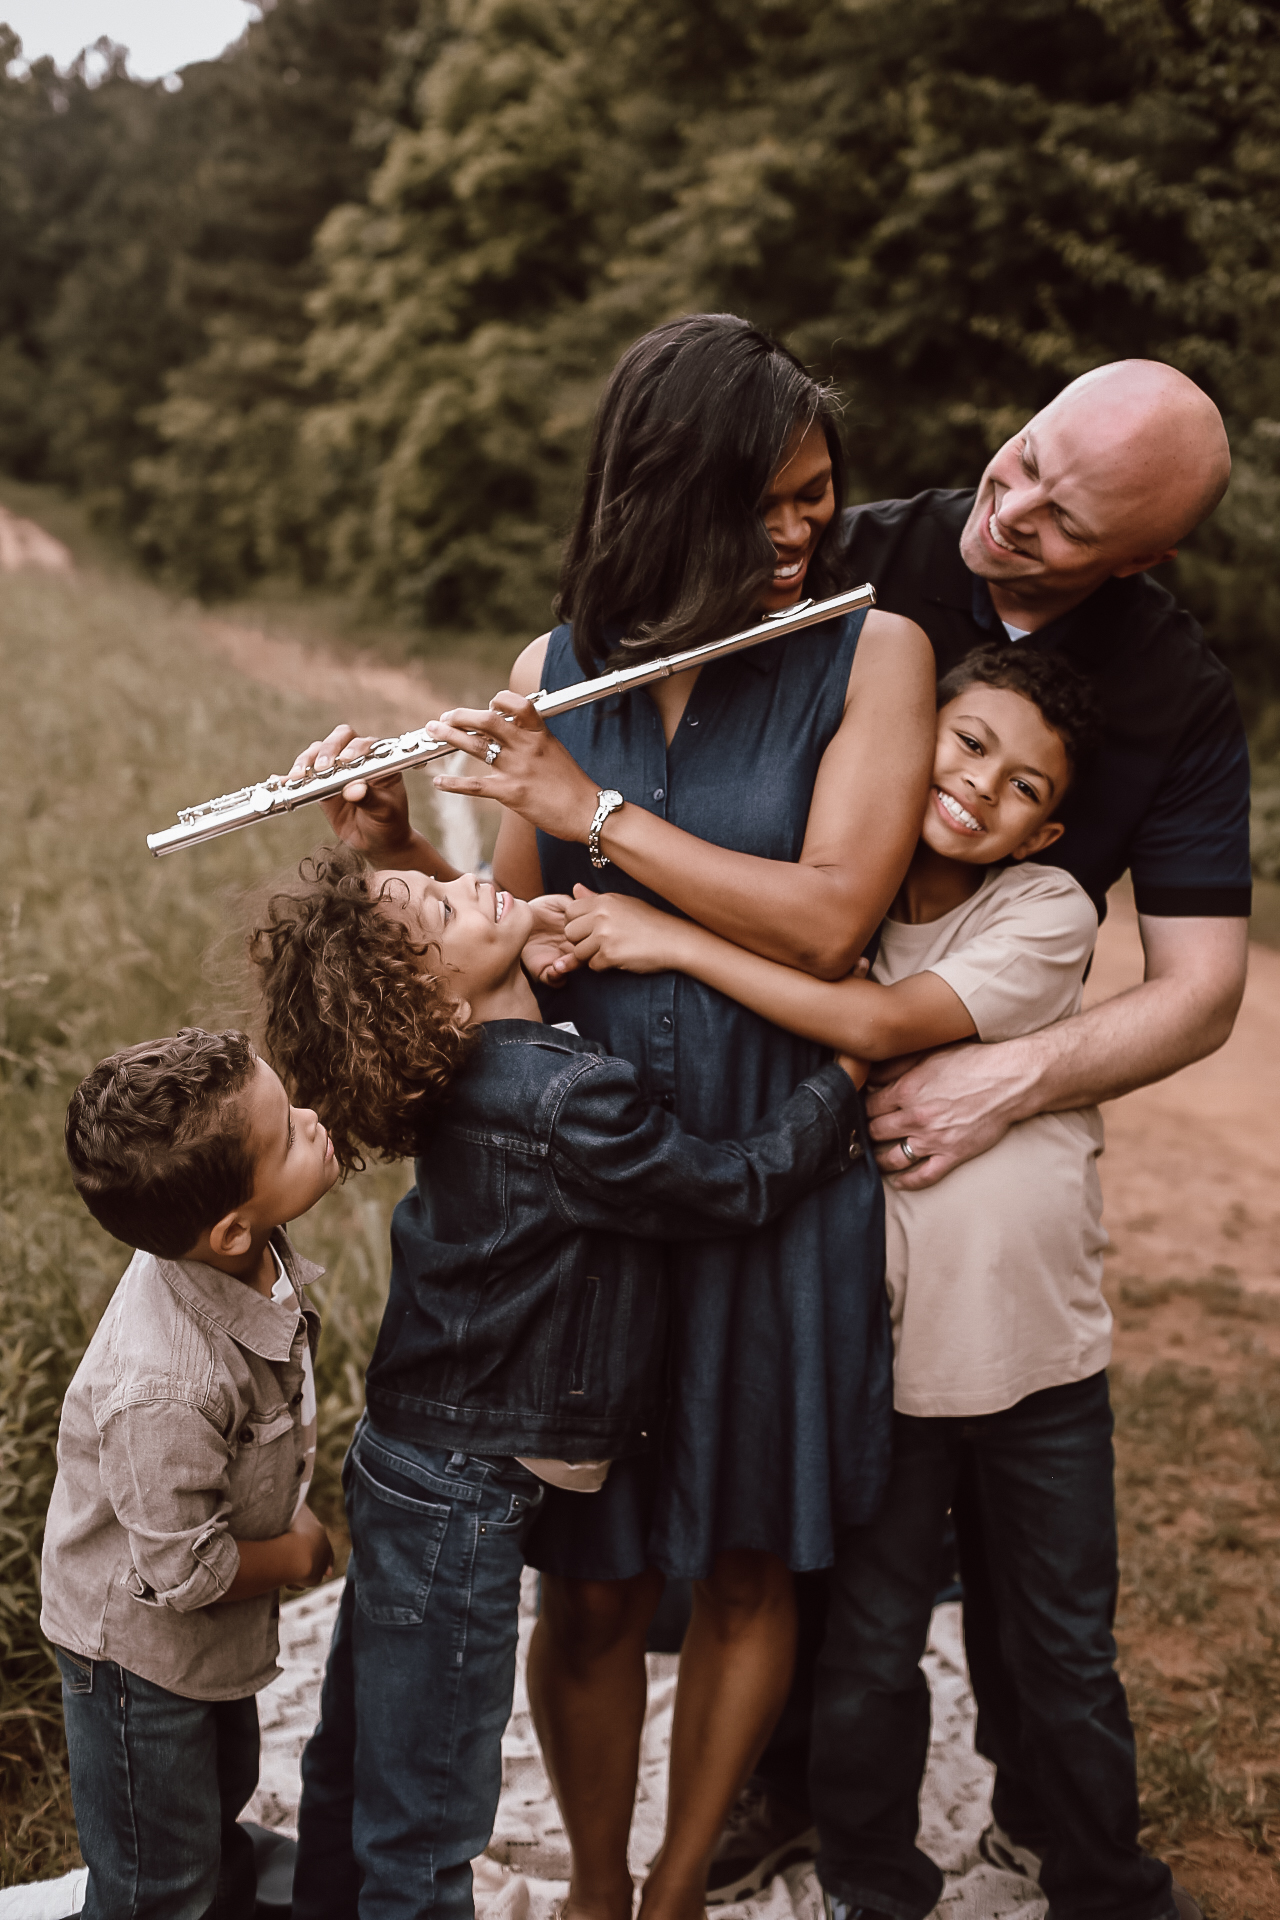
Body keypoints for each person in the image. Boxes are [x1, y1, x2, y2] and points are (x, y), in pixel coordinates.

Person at [287, 310, 936, 1920]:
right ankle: (587, 1885)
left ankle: (667, 1893)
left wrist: (598, 812)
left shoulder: (881, 651)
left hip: (768, 1159)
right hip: (583, 1194)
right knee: (587, 1580)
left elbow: (832, 919)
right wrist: (387, 842)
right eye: (768, 502)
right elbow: (504, 922)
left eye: (819, 495)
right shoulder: (556, 666)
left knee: (743, 1558)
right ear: (669, 495)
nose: (804, 532)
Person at [564, 644, 1195, 1920]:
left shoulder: (1042, 912)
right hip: (889, 1366)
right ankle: (867, 1876)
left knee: (1060, 1642)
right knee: (868, 1643)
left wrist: (667, 936)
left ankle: (1102, 1880)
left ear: (1049, 830)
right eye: (965, 745)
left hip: (1037, 1364)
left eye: (1021, 786)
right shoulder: (814, 888)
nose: (979, 789)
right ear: (910, 735)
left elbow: (872, 1024)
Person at [246, 845, 867, 1920]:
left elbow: (500, 964)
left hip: (404, 1452)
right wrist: (840, 1077)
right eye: (440, 905)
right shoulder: (562, 1096)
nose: (460, 880)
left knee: (360, 1745)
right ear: (432, 1005)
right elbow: (728, 1186)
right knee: (431, 1806)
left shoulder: (474, 1070)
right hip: (462, 1494)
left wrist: (522, 925)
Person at [44, 1027, 339, 1920]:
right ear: (229, 1228)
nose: (312, 1121)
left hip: (202, 1653)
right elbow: (182, 1570)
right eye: (287, 1132)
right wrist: (295, 1556)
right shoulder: (163, 1386)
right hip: (136, 1664)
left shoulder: (238, 1247)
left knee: (216, 1811)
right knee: (155, 1877)